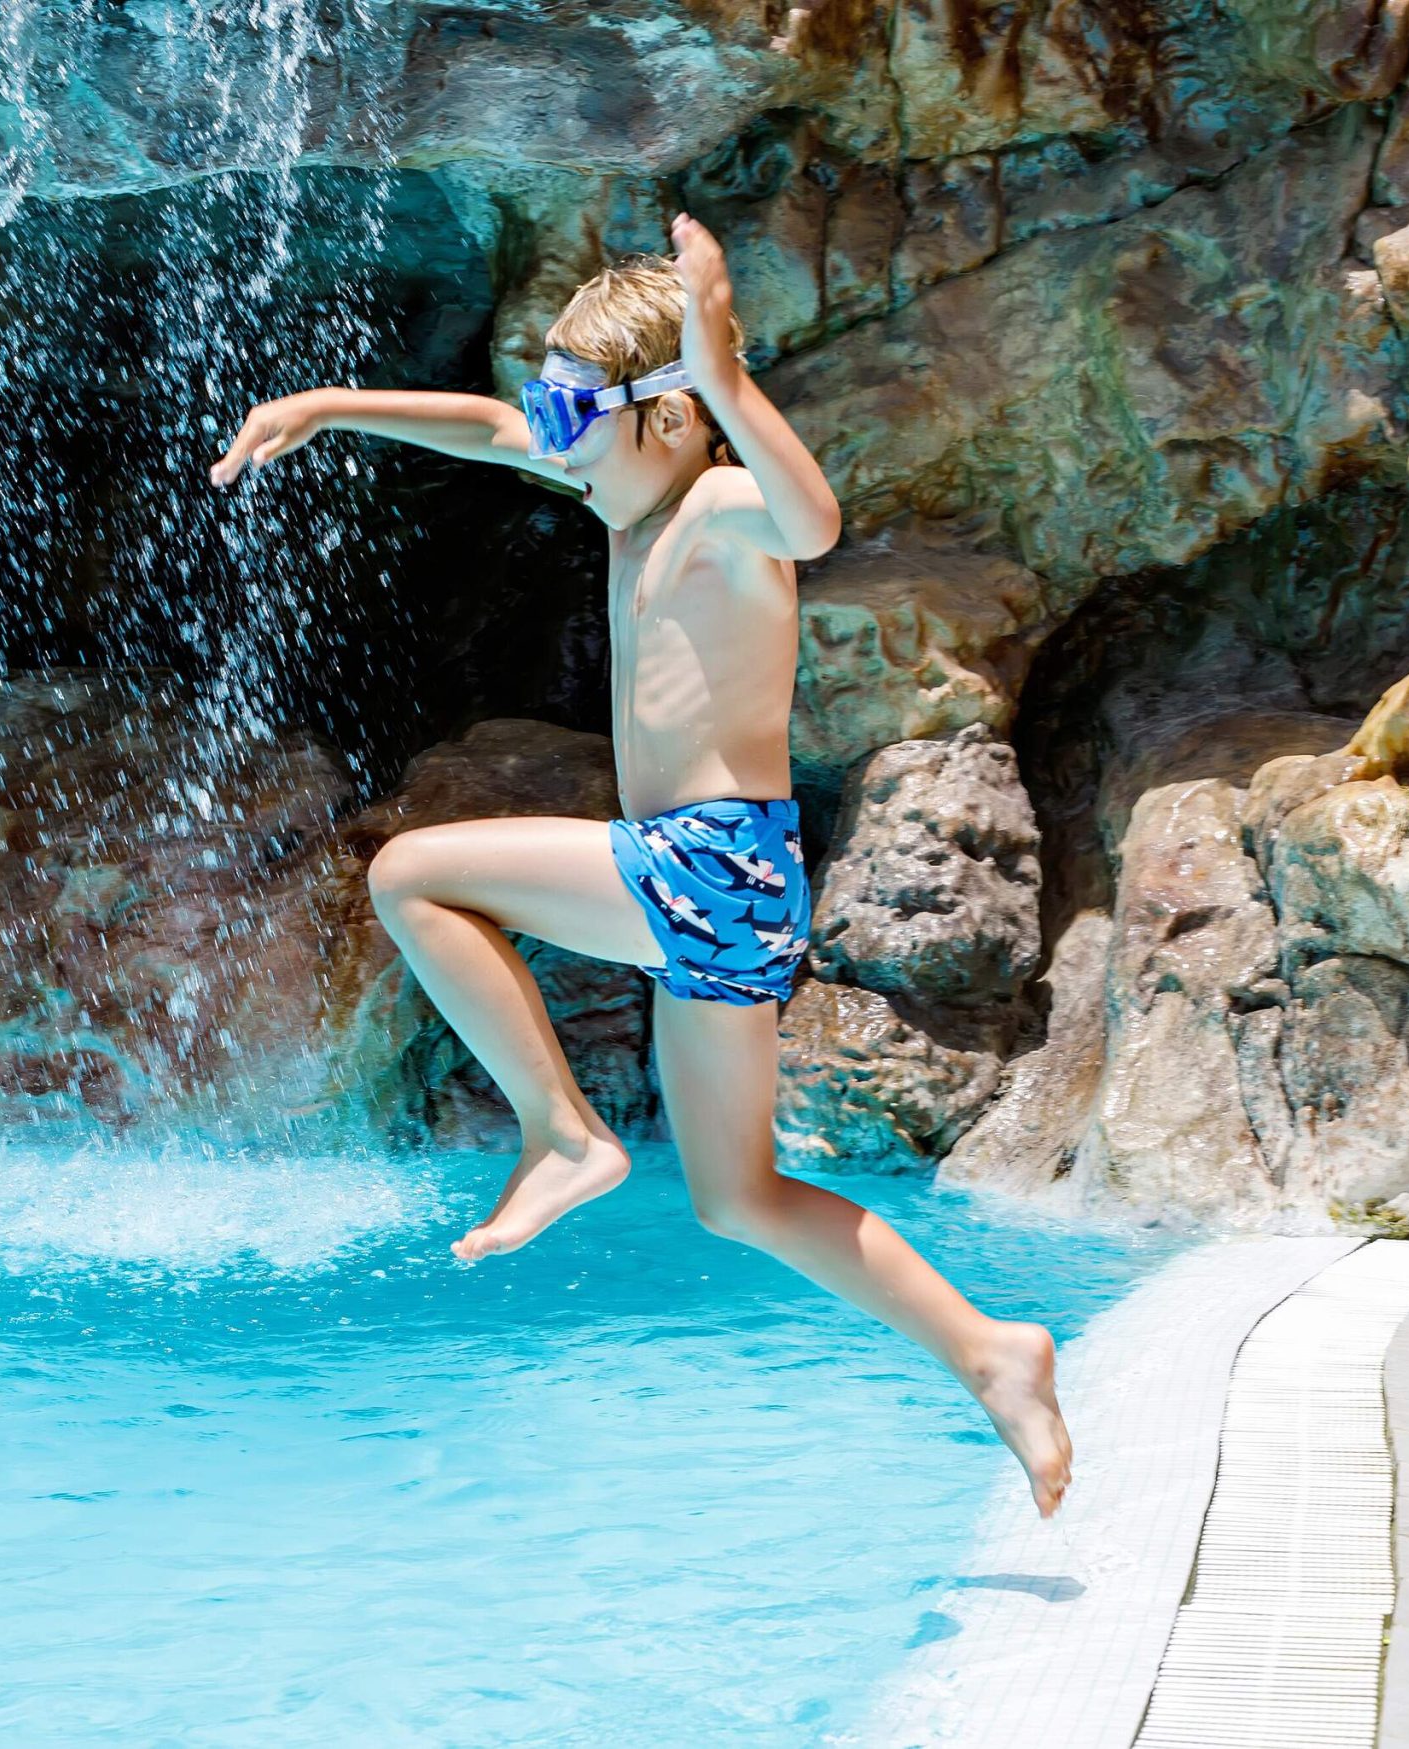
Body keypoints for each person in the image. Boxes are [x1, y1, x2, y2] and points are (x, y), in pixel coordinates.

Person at [211, 215, 1072, 1517]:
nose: (547, 432)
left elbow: (816, 516)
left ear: (665, 420)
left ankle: (563, 1133)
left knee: (413, 878)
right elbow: (490, 431)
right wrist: (332, 406)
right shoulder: (630, 505)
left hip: (706, 862)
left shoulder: (721, 506)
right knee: (740, 1199)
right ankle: (990, 1350)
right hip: (723, 889)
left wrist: (725, 378)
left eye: (574, 409)